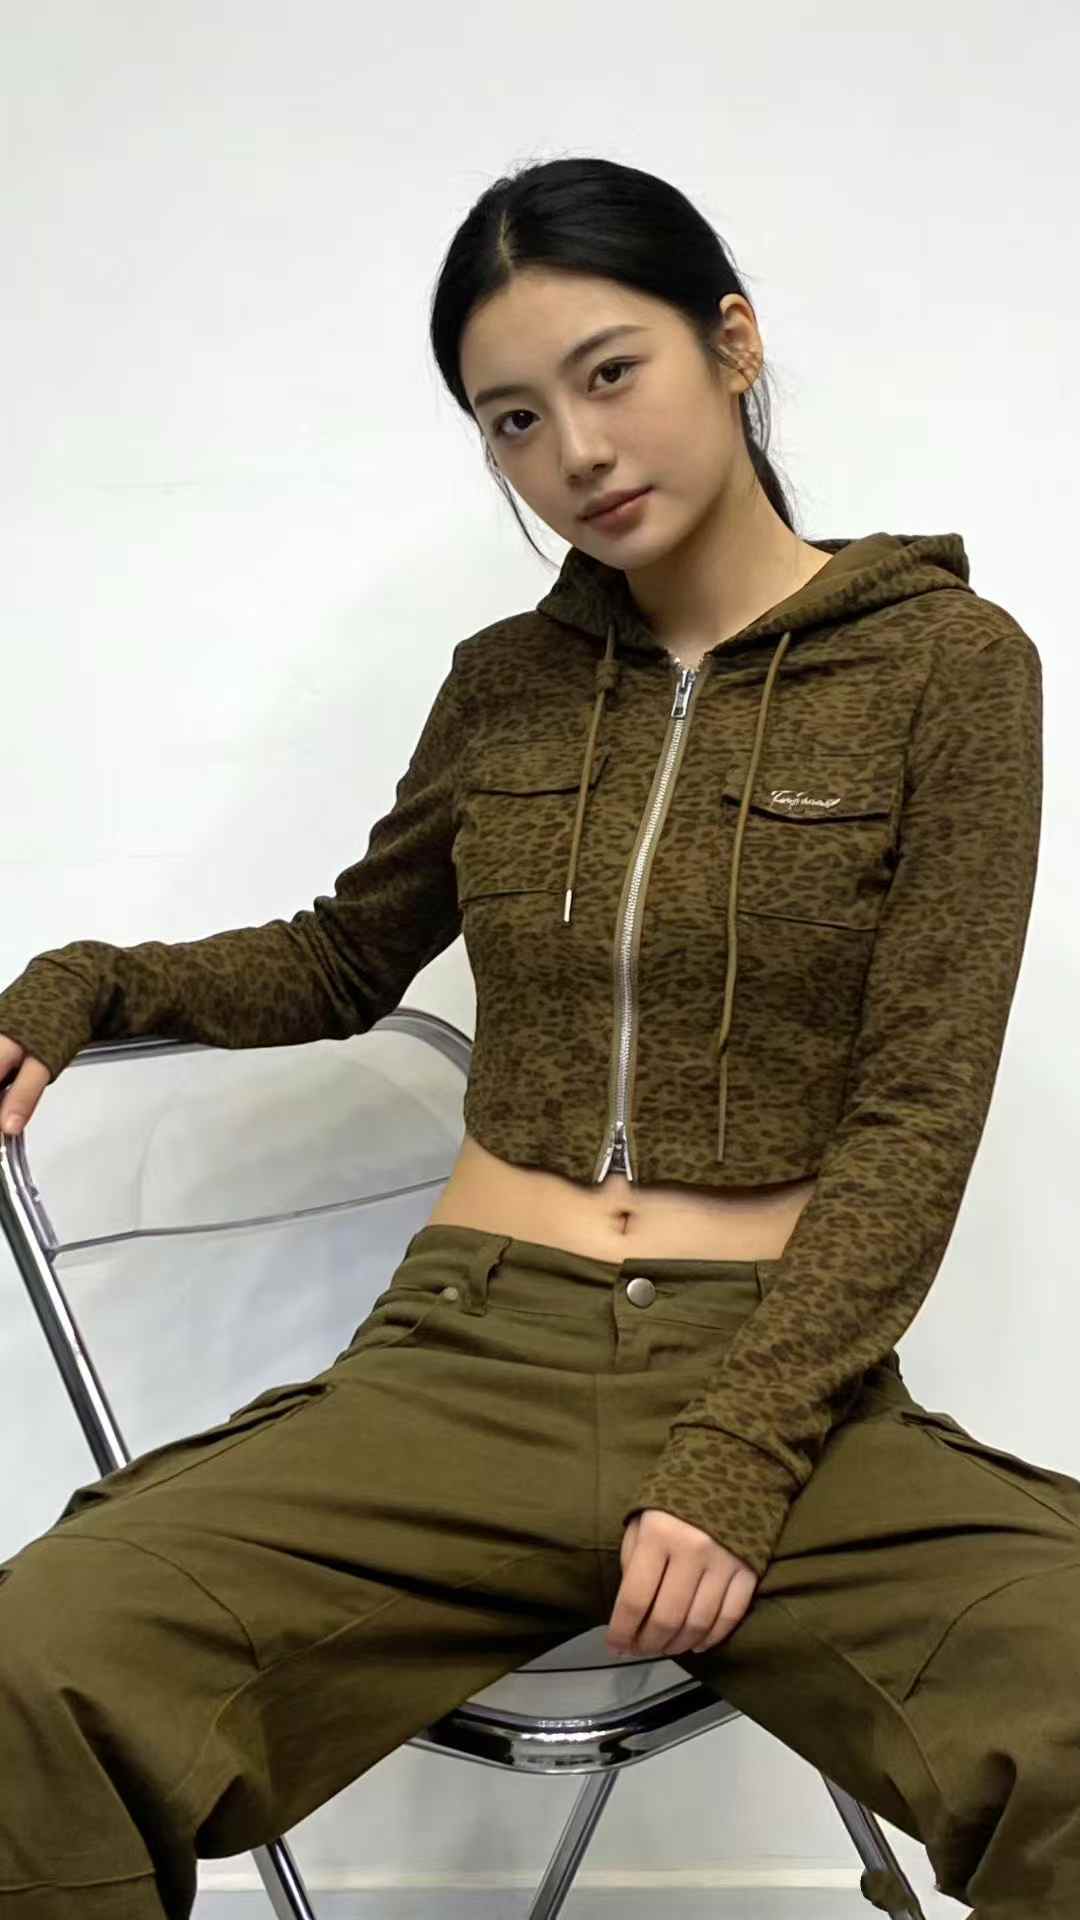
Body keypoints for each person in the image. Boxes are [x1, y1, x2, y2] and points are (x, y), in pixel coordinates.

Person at [0, 154, 1077, 1919]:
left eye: (609, 373)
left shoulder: (950, 670)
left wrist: (736, 1458)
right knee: (40, 1660)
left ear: (732, 343)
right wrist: (90, 979)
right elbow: (345, 957)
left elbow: (919, 1110)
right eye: (512, 418)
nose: (573, 450)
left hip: (775, 1377)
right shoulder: (507, 684)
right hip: (466, 1358)